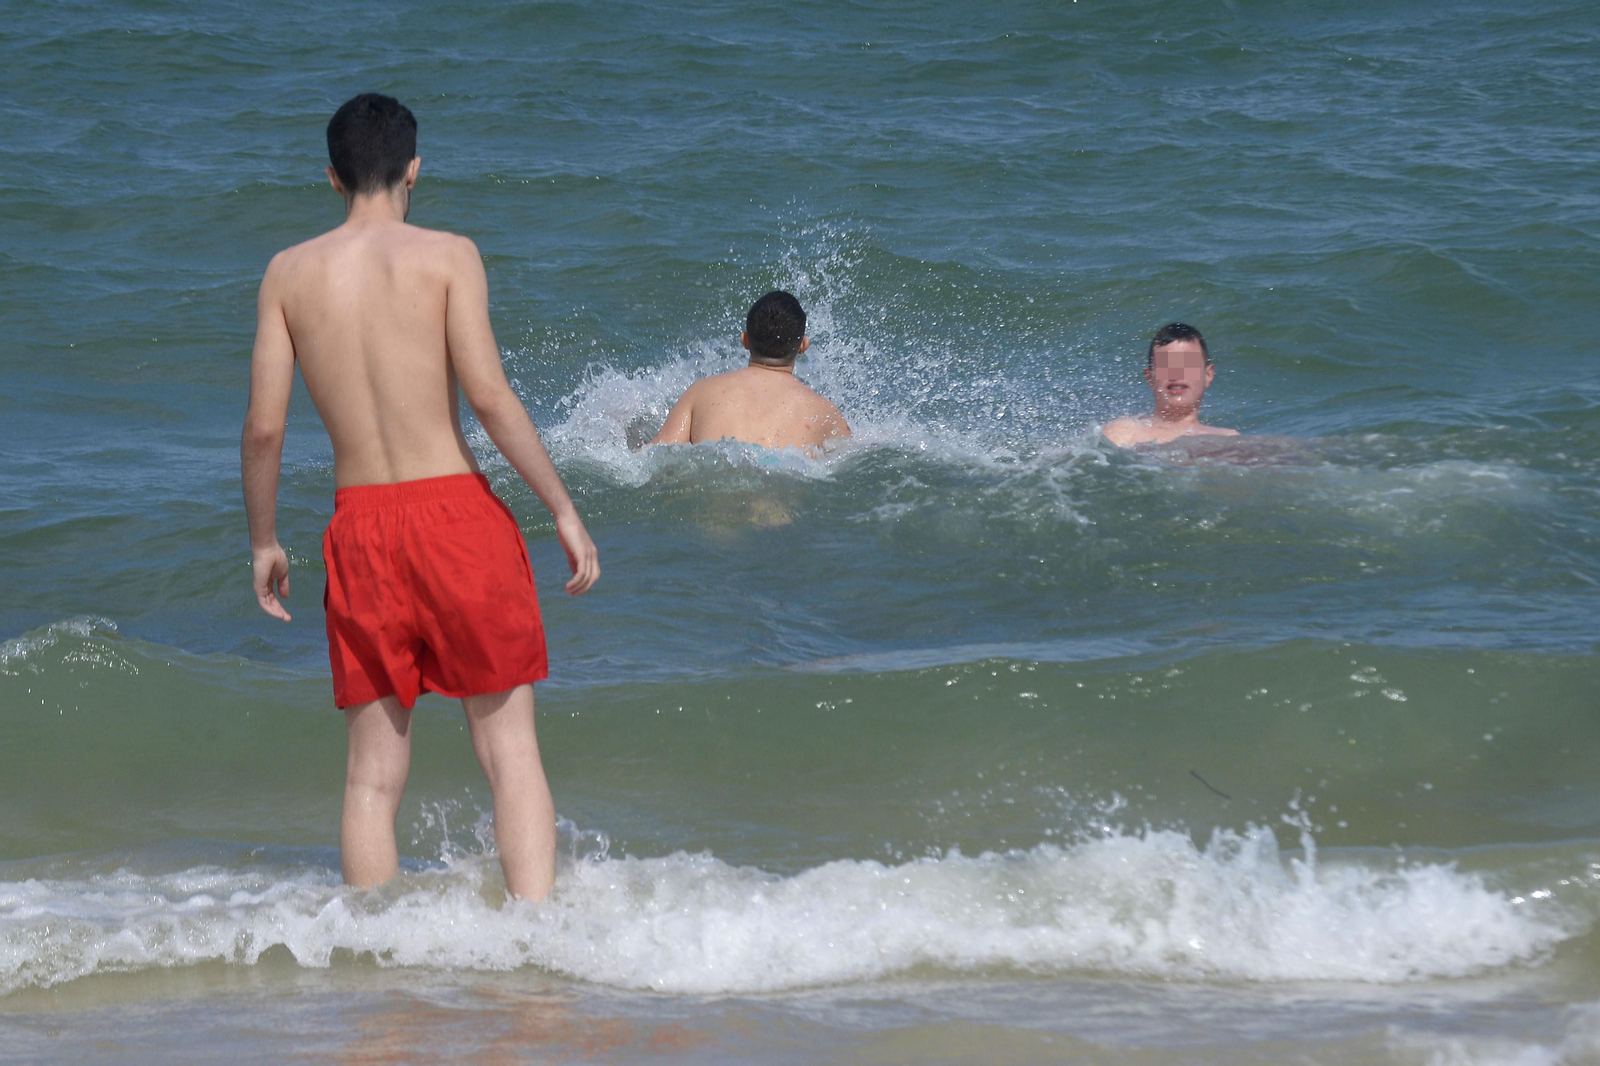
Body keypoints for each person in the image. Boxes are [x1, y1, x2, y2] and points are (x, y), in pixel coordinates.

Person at [240, 93, 599, 902]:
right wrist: (562, 510)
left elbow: (264, 429)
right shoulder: (448, 255)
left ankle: (377, 969)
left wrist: (264, 540)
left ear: (331, 179)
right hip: (458, 517)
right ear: (415, 171)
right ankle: (535, 947)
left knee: (371, 778)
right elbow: (491, 398)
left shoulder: (288, 275)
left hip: (359, 529)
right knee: (510, 756)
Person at [650, 291, 851, 452]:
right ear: (803, 345)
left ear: (745, 340)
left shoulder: (700, 393)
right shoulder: (825, 413)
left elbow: (654, 456)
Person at [1102, 322, 1239, 447]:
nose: (1176, 374)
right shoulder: (1125, 431)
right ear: (1150, 378)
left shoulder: (1228, 439)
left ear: (1208, 375)